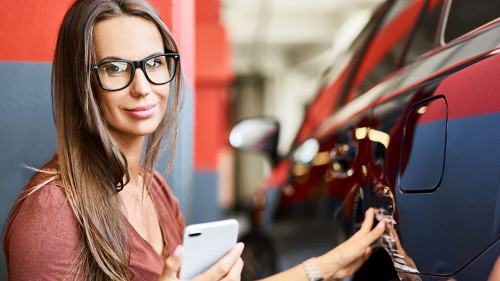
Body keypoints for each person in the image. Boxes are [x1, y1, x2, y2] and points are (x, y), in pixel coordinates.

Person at [2, 0, 385, 280]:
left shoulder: (155, 191)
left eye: (154, 63)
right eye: (115, 68)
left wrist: (326, 267)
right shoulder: (51, 214)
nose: (143, 87)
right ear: (82, 82)